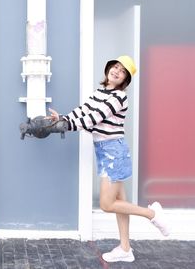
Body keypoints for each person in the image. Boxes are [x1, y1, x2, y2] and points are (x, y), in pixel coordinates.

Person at [48, 55, 171, 263]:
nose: (116, 71)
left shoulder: (118, 97)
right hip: (106, 151)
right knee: (120, 203)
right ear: (108, 69)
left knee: (107, 204)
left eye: (122, 71)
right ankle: (125, 249)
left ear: (124, 80)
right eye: (115, 67)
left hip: (114, 152)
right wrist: (63, 118)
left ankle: (152, 214)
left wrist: (65, 126)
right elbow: (84, 111)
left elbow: (93, 118)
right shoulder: (100, 93)